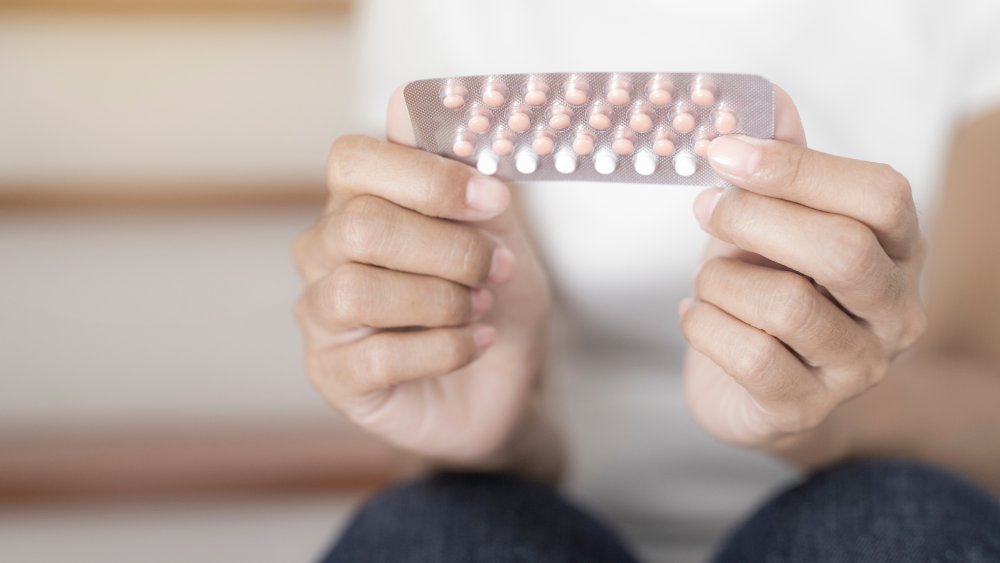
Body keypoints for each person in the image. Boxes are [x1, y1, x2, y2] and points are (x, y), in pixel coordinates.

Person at [293, 1, 1000, 561]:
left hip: (886, 478)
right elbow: (452, 399)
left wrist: (819, 412)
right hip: (548, 494)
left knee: (887, 523)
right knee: (432, 534)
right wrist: (494, 431)